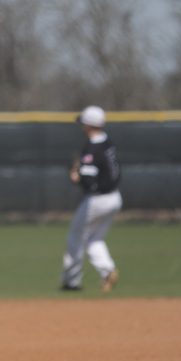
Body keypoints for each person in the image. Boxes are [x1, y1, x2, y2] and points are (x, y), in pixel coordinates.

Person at [60, 105, 122, 293]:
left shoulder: (92, 148)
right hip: (114, 197)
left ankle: (71, 281)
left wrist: (76, 177)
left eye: (83, 123)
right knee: (94, 239)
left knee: (75, 238)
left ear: (88, 125)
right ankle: (108, 270)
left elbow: (89, 181)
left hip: (97, 200)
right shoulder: (107, 142)